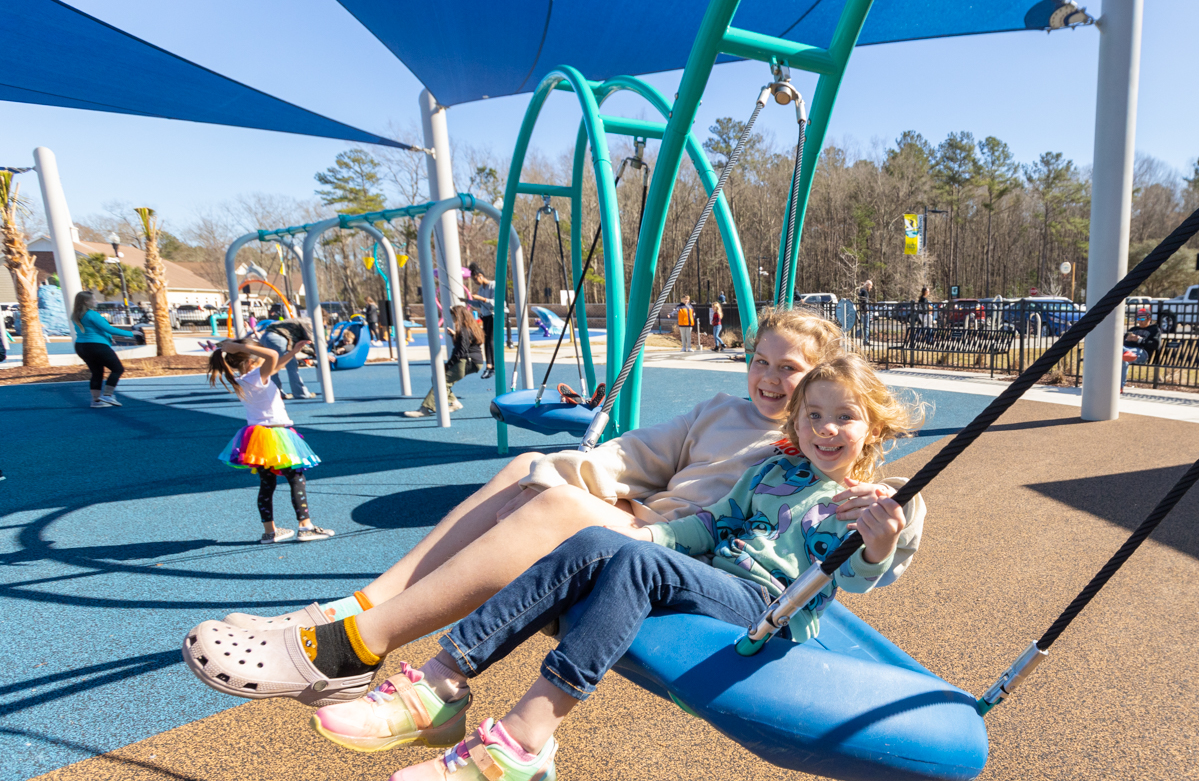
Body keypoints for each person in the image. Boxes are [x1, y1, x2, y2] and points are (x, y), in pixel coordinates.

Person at [182, 307, 926, 708]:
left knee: (560, 508)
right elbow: (629, 456)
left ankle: (355, 649)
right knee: (530, 470)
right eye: (760, 361)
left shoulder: (803, 448)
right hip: (647, 521)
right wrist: (555, 473)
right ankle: (353, 607)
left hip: (670, 549)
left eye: (789, 371)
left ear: (818, 384)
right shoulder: (718, 411)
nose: (768, 380)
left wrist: (886, 528)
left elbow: (869, 529)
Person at [317, 352, 922, 781]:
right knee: (595, 541)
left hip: (768, 608)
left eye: (845, 417)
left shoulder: (871, 501)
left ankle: (522, 743)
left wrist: (879, 540)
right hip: (714, 579)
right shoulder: (772, 470)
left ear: (873, 429)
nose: (826, 429)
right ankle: (441, 680)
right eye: (813, 415)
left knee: (636, 565)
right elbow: (710, 524)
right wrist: (645, 539)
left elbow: (857, 575)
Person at [208, 337, 335, 544]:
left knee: (267, 484)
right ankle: (306, 527)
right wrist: (238, 346)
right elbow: (273, 356)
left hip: (257, 438)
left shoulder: (243, 379)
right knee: (296, 478)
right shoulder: (257, 376)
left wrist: (292, 352)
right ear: (251, 360)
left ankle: (270, 532)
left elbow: (275, 363)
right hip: (276, 435)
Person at [405, 305, 482, 417]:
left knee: (441, 381)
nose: (452, 318)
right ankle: (454, 402)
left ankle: (424, 409)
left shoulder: (464, 329)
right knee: (438, 379)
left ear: (458, 316)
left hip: (467, 361)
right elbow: (467, 344)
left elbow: (461, 350)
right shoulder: (471, 327)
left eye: (453, 316)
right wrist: (454, 336)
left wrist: (449, 364)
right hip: (474, 361)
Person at [71, 290, 138, 408]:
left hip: (81, 346)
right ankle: (107, 395)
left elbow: (95, 330)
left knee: (97, 372)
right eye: (94, 299)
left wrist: (108, 338)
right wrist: (132, 334)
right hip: (96, 346)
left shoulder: (76, 315)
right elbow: (109, 329)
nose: (96, 301)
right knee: (117, 369)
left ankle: (96, 401)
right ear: (86, 302)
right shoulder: (92, 314)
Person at [258, 317, 316, 400]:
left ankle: (276, 393)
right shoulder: (308, 323)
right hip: (278, 338)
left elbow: (298, 345)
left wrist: (312, 352)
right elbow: (312, 340)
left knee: (271, 366)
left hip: (265, 337)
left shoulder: (294, 323)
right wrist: (318, 353)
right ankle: (300, 393)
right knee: (291, 366)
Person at [1120, 308, 1160, 392]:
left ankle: (1126, 353)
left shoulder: (1154, 330)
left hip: (1142, 353)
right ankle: (1119, 387)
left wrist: (1139, 340)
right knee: (1122, 358)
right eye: (1138, 318)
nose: (1140, 321)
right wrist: (1127, 339)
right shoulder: (1133, 329)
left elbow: (1156, 345)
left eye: (1142, 319)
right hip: (1126, 350)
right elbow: (1121, 341)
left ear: (1149, 319)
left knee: (1122, 355)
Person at [466, 263, 495, 375]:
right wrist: (467, 301)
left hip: (494, 315)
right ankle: (489, 364)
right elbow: (479, 304)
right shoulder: (481, 289)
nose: (475, 282)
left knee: (491, 340)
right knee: (486, 339)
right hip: (486, 316)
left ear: (480, 276)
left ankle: (494, 365)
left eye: (475, 279)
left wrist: (482, 299)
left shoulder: (493, 285)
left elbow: (496, 302)